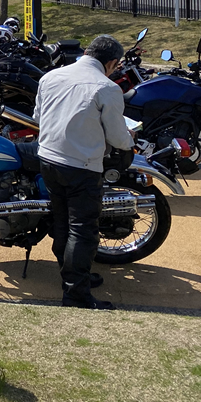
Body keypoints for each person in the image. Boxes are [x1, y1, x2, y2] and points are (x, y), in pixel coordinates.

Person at [35, 35, 134, 310]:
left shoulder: (51, 77)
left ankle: (71, 277)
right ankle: (76, 294)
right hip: (83, 165)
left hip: (48, 159)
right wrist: (130, 140)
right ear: (112, 62)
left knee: (62, 223)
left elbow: (38, 117)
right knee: (83, 231)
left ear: (87, 52)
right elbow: (117, 137)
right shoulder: (107, 88)